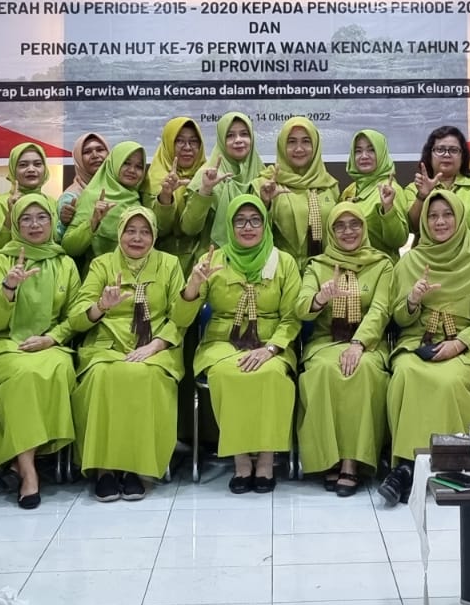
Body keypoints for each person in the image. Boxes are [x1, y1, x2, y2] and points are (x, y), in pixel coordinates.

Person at [380, 190, 470, 504]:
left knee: (447, 381)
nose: (440, 222)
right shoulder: (411, 261)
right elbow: (399, 318)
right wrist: (412, 300)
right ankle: (405, 465)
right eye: (432, 216)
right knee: (405, 373)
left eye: (447, 214)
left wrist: (460, 343)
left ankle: (450, 465)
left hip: (469, 344)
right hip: (419, 341)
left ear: (459, 217)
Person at [72, 206, 192, 501]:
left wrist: (156, 345)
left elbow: (180, 317)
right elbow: (76, 317)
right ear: (119, 233)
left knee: (145, 375)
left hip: (155, 346)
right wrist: (101, 306)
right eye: (130, 231)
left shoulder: (169, 264)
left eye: (145, 232)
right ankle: (104, 470)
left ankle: (136, 469)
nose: (137, 238)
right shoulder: (102, 265)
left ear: (154, 236)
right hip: (107, 347)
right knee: (102, 375)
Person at [183, 196, 301, 494]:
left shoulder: (283, 262)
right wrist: (193, 286)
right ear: (230, 225)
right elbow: (182, 317)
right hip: (222, 341)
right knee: (228, 374)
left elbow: (292, 317)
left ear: (265, 224)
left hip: (271, 342)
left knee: (271, 375)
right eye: (240, 221)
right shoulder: (213, 260)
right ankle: (241, 460)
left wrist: (271, 349)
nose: (248, 227)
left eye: (255, 220)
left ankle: (266, 459)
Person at [0, 193, 80, 507]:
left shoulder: (65, 263)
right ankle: (29, 470)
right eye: (26, 219)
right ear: (16, 225)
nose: (35, 225)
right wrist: (8, 288)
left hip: (48, 343)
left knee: (59, 368)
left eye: (42, 217)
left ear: (52, 221)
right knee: (24, 374)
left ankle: (17, 463)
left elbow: (73, 316)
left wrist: (52, 339)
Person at [296, 203, 395, 494]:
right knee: (324, 370)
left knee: (361, 371)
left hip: (368, 343)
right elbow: (301, 307)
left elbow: (380, 309)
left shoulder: (382, 264)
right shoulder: (317, 265)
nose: (348, 231)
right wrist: (320, 297)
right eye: (340, 225)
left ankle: (352, 462)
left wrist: (358, 343)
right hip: (325, 341)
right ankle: (328, 459)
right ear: (330, 231)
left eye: (355, 224)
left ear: (364, 228)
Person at [260, 118, 341, 260]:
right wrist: (265, 204)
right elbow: (255, 231)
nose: (299, 149)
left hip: (325, 269)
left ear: (315, 145)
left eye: (306, 141)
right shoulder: (267, 184)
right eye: (291, 142)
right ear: (282, 146)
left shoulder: (329, 185)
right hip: (283, 269)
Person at [143, 118, 216, 270]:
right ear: (168, 143)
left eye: (193, 141)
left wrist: (203, 191)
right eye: (180, 141)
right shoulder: (153, 179)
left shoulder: (208, 177)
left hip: (201, 263)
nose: (187, 147)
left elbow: (191, 228)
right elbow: (159, 229)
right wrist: (165, 196)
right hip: (158, 265)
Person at [62, 141, 147, 265]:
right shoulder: (93, 196)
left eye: (139, 166)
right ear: (114, 163)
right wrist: (92, 223)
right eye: (126, 163)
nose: (132, 170)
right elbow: (68, 247)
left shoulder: (139, 197)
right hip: (99, 273)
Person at [401, 125, 470, 238]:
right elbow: (412, 227)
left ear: (463, 156)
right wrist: (422, 197)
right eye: (440, 150)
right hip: (427, 249)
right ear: (429, 155)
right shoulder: (414, 188)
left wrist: (465, 246)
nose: (447, 155)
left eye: (453, 150)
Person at [340, 129, 407, 257]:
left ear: (381, 153)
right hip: (349, 265)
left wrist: (388, 209)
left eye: (371, 150)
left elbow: (398, 241)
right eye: (358, 151)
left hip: (381, 266)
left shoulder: (390, 189)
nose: (364, 156)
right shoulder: (350, 190)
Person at [0, 141, 50, 246]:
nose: (31, 169)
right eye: (23, 165)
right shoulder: (1, 203)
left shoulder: (50, 202)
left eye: (37, 164)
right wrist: (10, 216)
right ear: (13, 169)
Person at [62, 131, 109, 228]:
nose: (95, 155)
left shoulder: (120, 188)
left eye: (100, 150)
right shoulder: (71, 197)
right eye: (87, 152)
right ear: (79, 159)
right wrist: (64, 223)